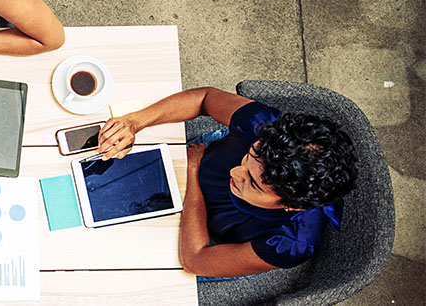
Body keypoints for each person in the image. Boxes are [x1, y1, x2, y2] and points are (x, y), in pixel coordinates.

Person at [96, 87, 357, 278]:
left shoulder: (291, 242)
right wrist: (134, 122)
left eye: (253, 183)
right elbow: (205, 98)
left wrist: (193, 174)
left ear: (293, 208)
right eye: (248, 156)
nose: (234, 171)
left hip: (206, 236)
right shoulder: (263, 126)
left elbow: (196, 260)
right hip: (193, 162)